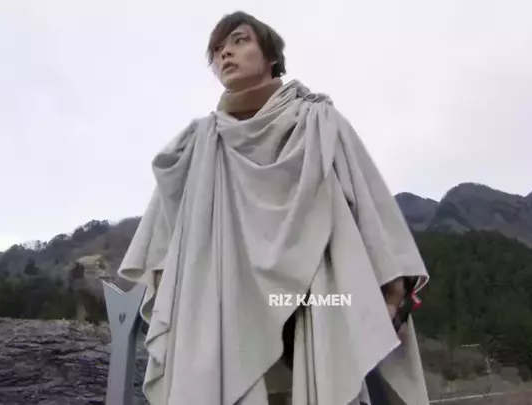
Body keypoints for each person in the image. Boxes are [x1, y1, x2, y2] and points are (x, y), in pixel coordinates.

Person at [118, 11, 430, 405]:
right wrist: (174, 304)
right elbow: (167, 236)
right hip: (222, 306)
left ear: (271, 57)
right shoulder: (199, 143)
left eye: (239, 40)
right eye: (218, 50)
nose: (225, 54)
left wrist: (391, 290)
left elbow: (368, 205)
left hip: (316, 299)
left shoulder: (317, 121)